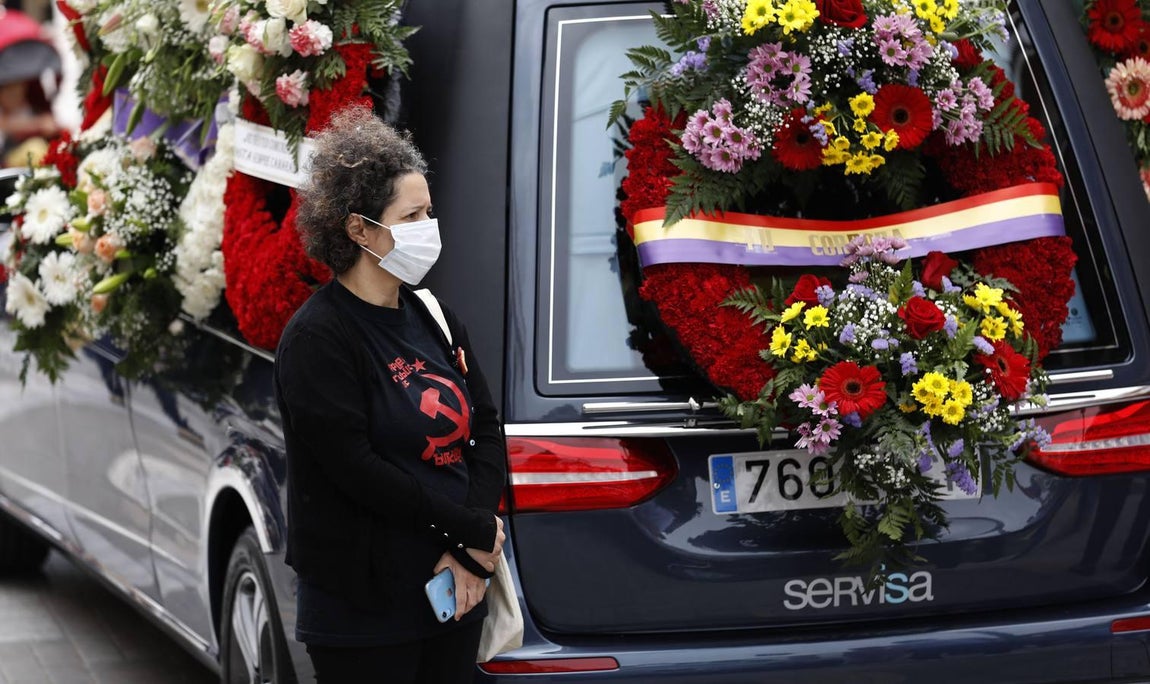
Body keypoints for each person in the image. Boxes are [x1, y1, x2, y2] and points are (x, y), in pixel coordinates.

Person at [274, 107, 507, 683]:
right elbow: (357, 469)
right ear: (358, 229)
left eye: (430, 212)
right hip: (365, 613)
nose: (430, 227)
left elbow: (487, 425)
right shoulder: (317, 338)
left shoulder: (431, 313)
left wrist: (472, 547)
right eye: (413, 215)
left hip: (454, 592)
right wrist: (469, 530)